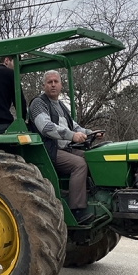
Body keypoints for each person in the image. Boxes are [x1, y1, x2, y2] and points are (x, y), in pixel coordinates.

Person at [29, 70, 103, 224]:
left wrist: (91, 133)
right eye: (50, 82)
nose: (53, 85)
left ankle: (94, 195)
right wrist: (71, 136)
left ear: (61, 85)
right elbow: (46, 127)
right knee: (79, 164)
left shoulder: (61, 106)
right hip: (48, 151)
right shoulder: (38, 103)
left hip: (64, 149)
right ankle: (76, 210)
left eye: (56, 81)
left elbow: (74, 126)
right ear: (44, 85)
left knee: (92, 157)